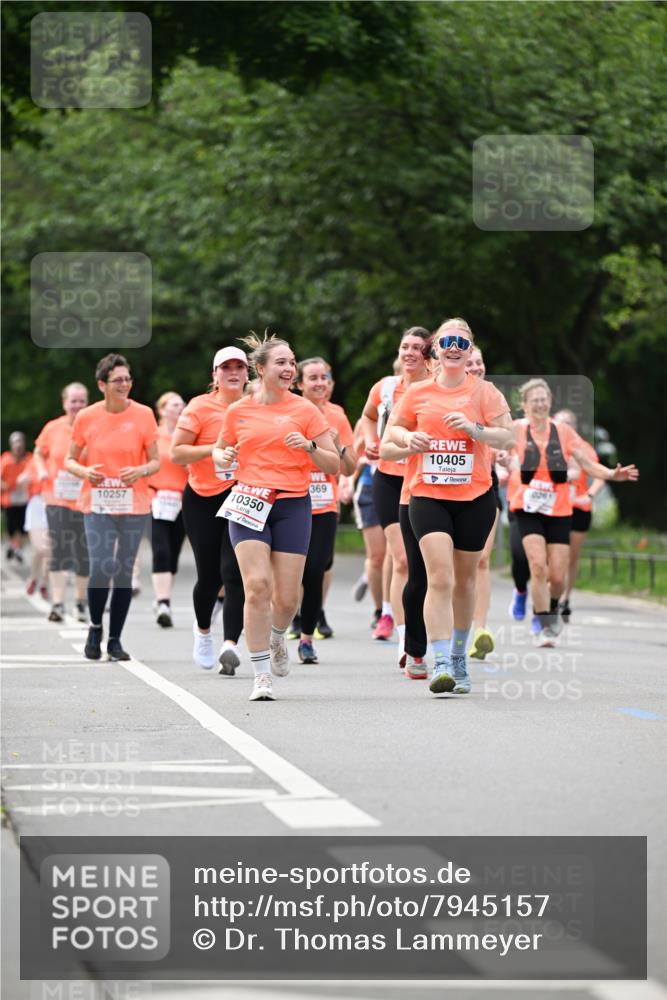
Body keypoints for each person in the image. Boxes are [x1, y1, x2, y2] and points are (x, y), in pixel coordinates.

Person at [384, 318, 515, 696]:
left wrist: (476, 430)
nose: (454, 347)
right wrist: (409, 438)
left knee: (465, 581)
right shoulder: (418, 392)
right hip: (427, 495)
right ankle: (440, 660)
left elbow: (507, 436)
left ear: (470, 348)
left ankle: (459, 657)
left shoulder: (485, 393)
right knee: (439, 578)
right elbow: (391, 435)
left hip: (475, 497)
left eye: (462, 341)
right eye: (447, 341)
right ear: (436, 350)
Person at [212, 332, 338, 701]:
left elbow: (333, 463)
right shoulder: (239, 410)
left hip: (292, 504)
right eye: (281, 362)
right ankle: (261, 674)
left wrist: (311, 447)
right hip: (249, 500)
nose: (289, 368)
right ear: (262, 368)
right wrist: (223, 458)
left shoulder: (305, 410)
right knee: (256, 587)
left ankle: (278, 635)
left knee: (285, 599)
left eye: (291, 362)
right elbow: (220, 451)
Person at [507, 378, 639, 647]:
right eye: (535, 400)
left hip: (559, 510)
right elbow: (493, 450)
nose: (541, 403)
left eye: (544, 399)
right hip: (527, 508)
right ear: (524, 405)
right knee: (537, 566)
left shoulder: (564, 432)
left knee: (557, 576)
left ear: (550, 402)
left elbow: (588, 463)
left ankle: (553, 604)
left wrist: (612, 474)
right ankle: (543, 624)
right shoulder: (515, 430)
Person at [65, 354, 159, 661]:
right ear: (102, 384)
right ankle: (95, 627)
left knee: (123, 572)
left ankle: (115, 639)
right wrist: (85, 472)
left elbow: (156, 461)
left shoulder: (144, 414)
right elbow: (69, 459)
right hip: (98, 503)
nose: (125, 384)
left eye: (128, 378)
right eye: (118, 380)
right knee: (102, 564)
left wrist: (141, 471)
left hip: (134, 502)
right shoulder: (87, 417)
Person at [171, 348, 248, 674]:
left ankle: (230, 644)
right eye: (225, 367)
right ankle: (203, 632)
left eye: (239, 367)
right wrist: (214, 450)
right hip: (203, 497)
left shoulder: (256, 406)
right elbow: (177, 452)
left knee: (235, 574)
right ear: (214, 374)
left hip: (244, 496)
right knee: (210, 576)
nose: (232, 372)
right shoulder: (200, 407)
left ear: (248, 373)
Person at [361, 327, 432, 661]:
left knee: (423, 565)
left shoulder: (436, 388)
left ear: (427, 354)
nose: (409, 352)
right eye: (405, 346)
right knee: (401, 558)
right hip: (389, 479)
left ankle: (419, 623)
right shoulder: (386, 387)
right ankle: (405, 637)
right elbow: (367, 416)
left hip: (425, 482)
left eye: (417, 347)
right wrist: (371, 442)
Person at [292, 357, 356, 663]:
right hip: (290, 499)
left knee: (316, 568)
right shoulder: (288, 411)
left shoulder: (337, 416)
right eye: (312, 378)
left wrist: (337, 444)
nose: (319, 383)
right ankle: (289, 618)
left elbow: (350, 465)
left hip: (324, 504)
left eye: (323, 377)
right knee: (292, 572)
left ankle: (307, 636)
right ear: (300, 383)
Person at [33, 382, 90, 622]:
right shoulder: (52, 428)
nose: (77, 405)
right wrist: (41, 470)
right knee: (58, 549)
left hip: (85, 499)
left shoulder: (93, 426)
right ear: (64, 402)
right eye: (73, 401)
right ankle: (57, 603)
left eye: (81, 401)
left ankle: (79, 602)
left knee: (82, 553)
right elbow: (38, 452)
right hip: (56, 497)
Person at [464, 346, 504, 660]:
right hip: (445, 490)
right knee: (447, 568)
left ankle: (480, 631)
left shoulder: (492, 398)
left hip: (485, 485)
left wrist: (502, 451)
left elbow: (507, 436)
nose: (476, 366)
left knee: (481, 560)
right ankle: (450, 628)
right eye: (470, 362)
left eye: (480, 361)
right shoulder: (443, 395)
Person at [554, 408, 605, 622]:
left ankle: (565, 598)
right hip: (554, 507)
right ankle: (551, 595)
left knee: (572, 556)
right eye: (560, 423)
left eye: (568, 423)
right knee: (556, 555)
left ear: (574, 426)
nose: (564, 427)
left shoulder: (584, 448)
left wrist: (590, 496)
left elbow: (600, 475)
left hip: (578, 507)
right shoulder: (547, 447)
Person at [148, 392, 188, 628]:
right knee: (161, 550)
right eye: (174, 405)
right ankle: (164, 603)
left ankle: (162, 597)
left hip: (184, 501)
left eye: (182, 404)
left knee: (173, 553)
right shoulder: (154, 435)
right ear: (162, 410)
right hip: (158, 498)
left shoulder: (189, 436)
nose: (180, 408)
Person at [1, 432, 32, 564]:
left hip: (25, 499)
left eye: (20, 442)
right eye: (15, 442)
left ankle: (15, 548)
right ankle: (15, 547)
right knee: (12, 528)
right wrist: (5, 486)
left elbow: (34, 475)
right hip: (10, 500)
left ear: (24, 444)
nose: (18, 445)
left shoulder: (30, 459)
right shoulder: (5, 459)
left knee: (23, 528)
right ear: (11, 445)